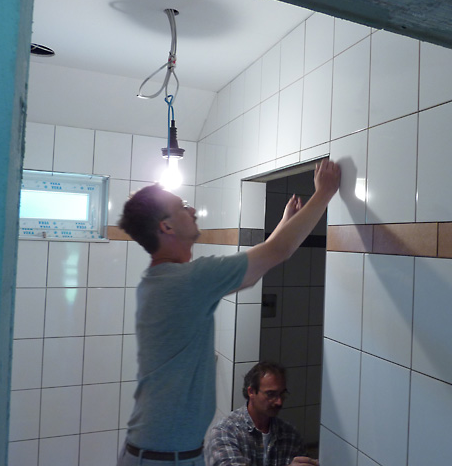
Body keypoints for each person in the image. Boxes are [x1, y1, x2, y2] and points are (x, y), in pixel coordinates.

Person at [116, 159, 340, 465]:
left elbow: (258, 265)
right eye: (182, 207)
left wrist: (286, 223)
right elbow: (277, 252)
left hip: (165, 453)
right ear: (166, 226)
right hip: (162, 459)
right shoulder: (187, 280)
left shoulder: (164, 281)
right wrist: (324, 193)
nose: (193, 211)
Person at [205, 362, 319, 466]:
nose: (279, 402)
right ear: (251, 392)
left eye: (282, 394)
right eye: (271, 394)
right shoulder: (225, 431)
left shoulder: (290, 435)